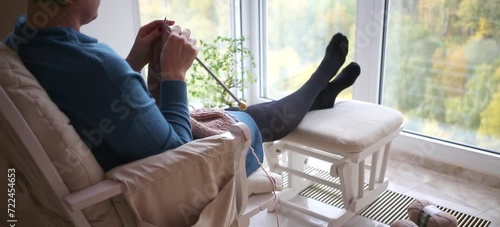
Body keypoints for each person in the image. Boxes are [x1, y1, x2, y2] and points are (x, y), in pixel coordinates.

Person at [4, 0, 360, 177]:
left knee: (248, 114)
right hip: (173, 177)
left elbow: (95, 99)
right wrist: (174, 72)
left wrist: (134, 62)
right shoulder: (95, 65)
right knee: (258, 121)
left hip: (131, 153)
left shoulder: (27, 39)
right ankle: (321, 83)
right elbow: (177, 155)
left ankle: (320, 93)